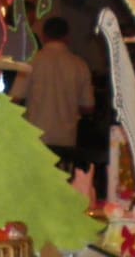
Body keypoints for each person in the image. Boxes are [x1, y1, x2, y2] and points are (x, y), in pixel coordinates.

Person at [11, 16, 94, 170]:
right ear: (67, 37)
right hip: (66, 141)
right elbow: (88, 107)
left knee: (35, 180)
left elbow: (14, 99)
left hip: (36, 136)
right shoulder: (80, 65)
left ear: (44, 36)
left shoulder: (32, 62)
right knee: (62, 182)